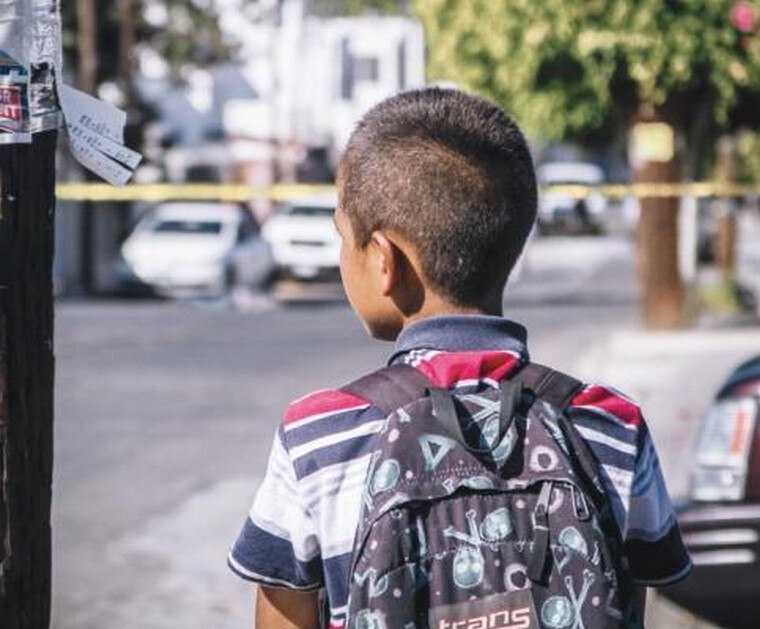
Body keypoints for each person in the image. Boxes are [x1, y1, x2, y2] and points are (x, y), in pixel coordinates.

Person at [227, 88, 691, 628]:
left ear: (384, 260)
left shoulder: (317, 437)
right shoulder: (611, 423)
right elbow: (624, 605)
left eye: (342, 238)